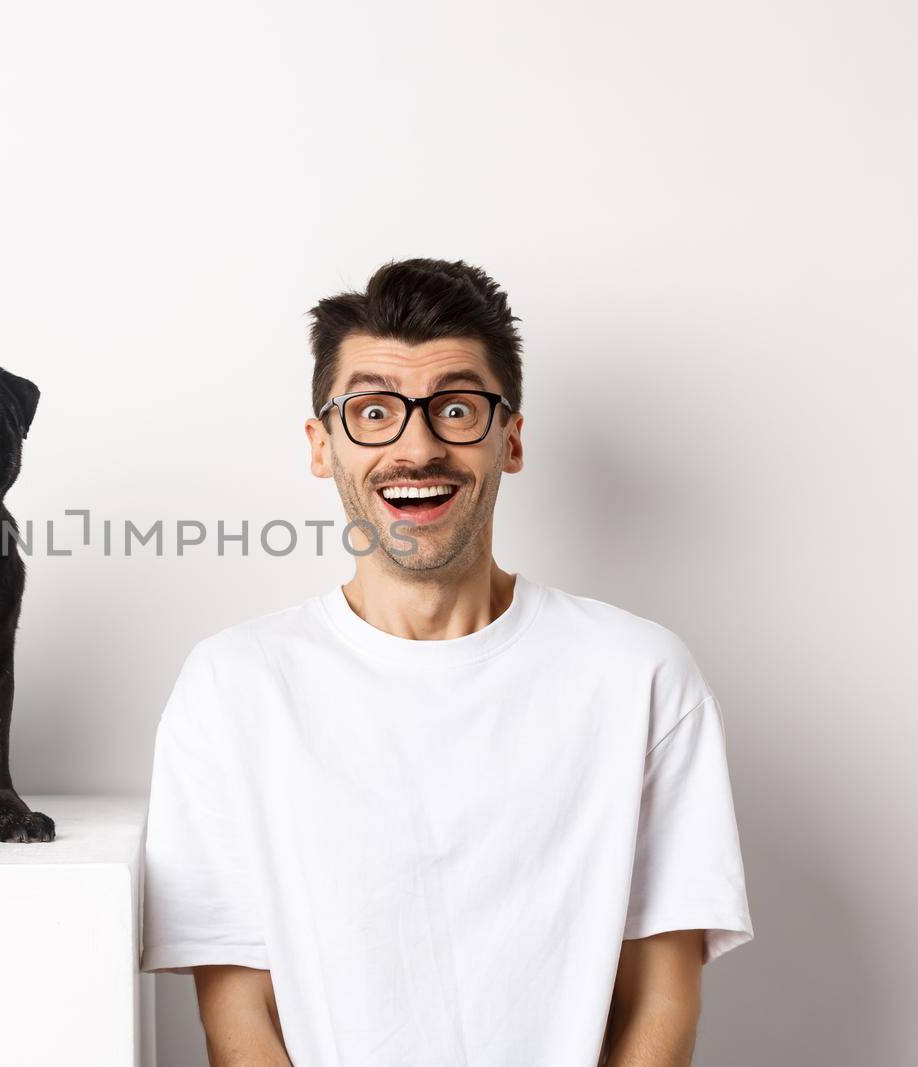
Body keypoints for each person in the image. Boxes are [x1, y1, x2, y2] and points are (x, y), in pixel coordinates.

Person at [138, 258, 754, 1066]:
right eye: (373, 411)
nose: (417, 445)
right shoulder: (234, 687)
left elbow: (659, 1003)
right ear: (323, 446)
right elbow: (237, 1013)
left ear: (512, 436)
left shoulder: (637, 675)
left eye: (456, 408)